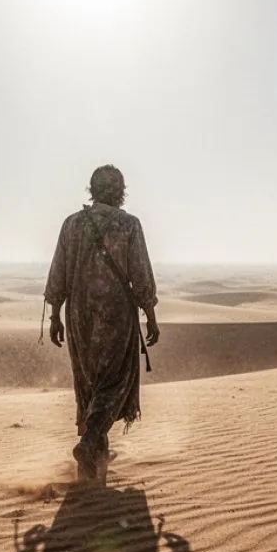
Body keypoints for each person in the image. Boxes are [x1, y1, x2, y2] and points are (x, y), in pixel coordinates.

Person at [44, 165, 159, 482]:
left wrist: (55, 315)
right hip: (117, 312)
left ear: (92, 189)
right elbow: (141, 275)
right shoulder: (128, 225)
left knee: (89, 385)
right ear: (120, 191)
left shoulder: (72, 224)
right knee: (114, 383)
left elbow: (58, 274)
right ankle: (90, 441)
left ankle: (91, 468)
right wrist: (150, 315)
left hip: (79, 311)